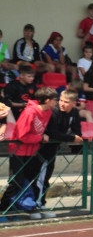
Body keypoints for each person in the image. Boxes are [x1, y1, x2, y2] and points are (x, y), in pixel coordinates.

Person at [0, 87, 57, 220]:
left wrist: (42, 136)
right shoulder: (30, 112)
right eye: (55, 99)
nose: (57, 102)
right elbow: (21, 135)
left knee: (31, 179)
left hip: (32, 150)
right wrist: (40, 138)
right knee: (16, 181)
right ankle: (3, 208)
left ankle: (25, 207)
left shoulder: (48, 112)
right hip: (18, 150)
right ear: (47, 100)